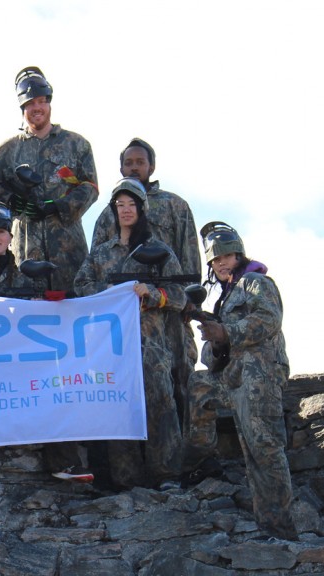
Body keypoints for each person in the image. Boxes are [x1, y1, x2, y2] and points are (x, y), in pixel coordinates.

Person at [184, 221, 297, 540]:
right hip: (232, 378)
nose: (221, 263)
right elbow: (213, 356)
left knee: (264, 448)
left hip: (259, 377)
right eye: (215, 260)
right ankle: (202, 462)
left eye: (227, 256)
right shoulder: (226, 297)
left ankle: (279, 532)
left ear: (239, 255)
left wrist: (226, 331)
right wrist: (209, 328)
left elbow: (269, 319)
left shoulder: (256, 282)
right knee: (199, 387)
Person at [72, 178, 186, 489]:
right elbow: (81, 286)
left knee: (161, 404)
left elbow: (179, 295)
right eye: (120, 205)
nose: (125, 210)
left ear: (141, 209)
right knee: (118, 406)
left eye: (131, 204)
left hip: (151, 346)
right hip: (114, 347)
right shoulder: (101, 254)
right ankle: (126, 481)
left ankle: (167, 475)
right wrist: (109, 291)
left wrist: (153, 294)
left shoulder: (159, 251)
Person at [91, 138, 201, 443]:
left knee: (179, 377)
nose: (134, 167)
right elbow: (97, 261)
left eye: (140, 162)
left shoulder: (175, 205)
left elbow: (189, 255)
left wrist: (188, 301)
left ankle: (185, 451)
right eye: (128, 163)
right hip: (124, 320)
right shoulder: (109, 212)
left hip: (170, 311)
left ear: (151, 166)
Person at [0, 66, 98, 294]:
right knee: (27, 305)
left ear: (49, 103)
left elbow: (91, 186)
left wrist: (58, 206)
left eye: (41, 101)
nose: (36, 108)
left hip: (69, 249)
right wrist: (13, 202)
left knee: (73, 306)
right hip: (25, 248)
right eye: (30, 103)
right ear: (22, 108)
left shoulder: (76, 145)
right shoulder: (5, 152)